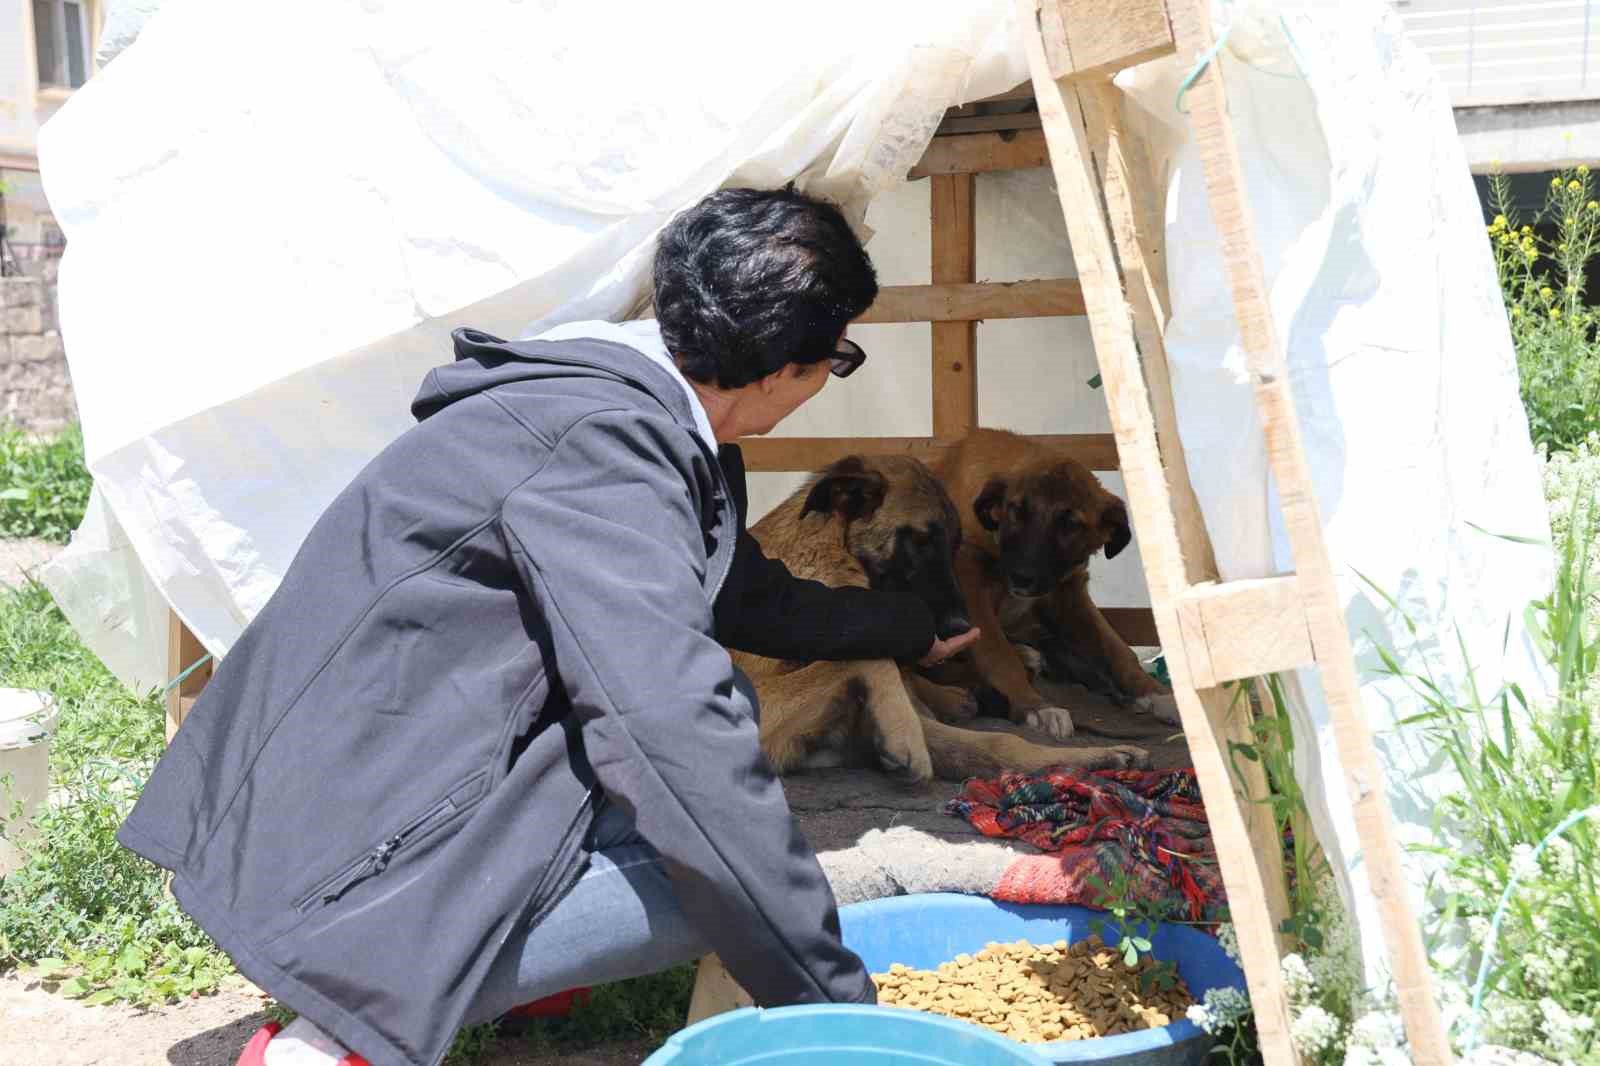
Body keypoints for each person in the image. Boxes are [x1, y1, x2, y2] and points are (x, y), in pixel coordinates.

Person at [117, 186, 979, 1066]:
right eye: (835, 359)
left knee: (719, 835)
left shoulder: (628, 405)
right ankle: (335, 1030)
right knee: (726, 862)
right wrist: (834, 1005)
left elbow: (741, 593)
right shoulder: (605, 445)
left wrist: (904, 628)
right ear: (777, 371)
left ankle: (495, 976)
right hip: (340, 839)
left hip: (348, 781)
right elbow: (669, 726)